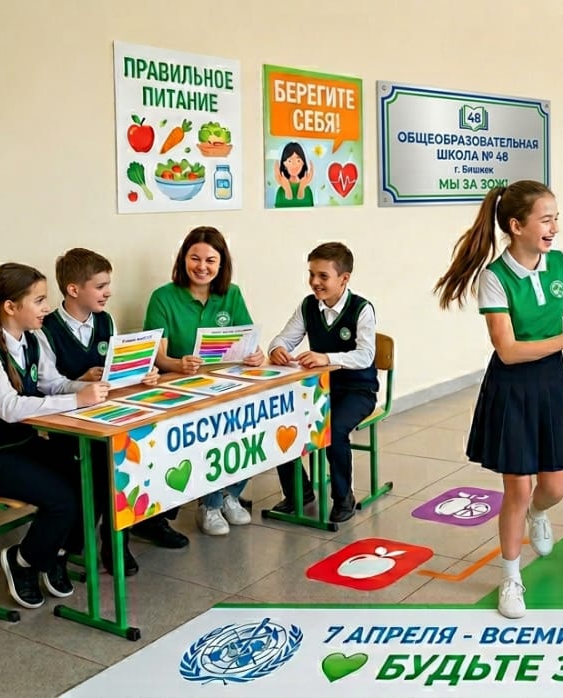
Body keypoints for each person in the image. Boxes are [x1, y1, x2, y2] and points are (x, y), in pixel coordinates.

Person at [433, 181, 563, 618]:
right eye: (546, 220)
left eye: (556, 218)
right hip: (512, 386)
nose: (555, 227)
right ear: (516, 225)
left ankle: (537, 514)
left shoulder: (558, 262)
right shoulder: (494, 278)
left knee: (555, 486)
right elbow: (508, 350)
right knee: (518, 488)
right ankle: (511, 578)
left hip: (552, 383)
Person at [0, 263, 110, 609]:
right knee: (62, 498)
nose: (46, 308)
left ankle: (57, 553)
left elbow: (52, 383)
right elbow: (9, 407)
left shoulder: (33, 340)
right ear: (10, 306)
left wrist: (91, 388)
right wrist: (77, 400)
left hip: (21, 446)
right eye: (38, 301)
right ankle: (22, 560)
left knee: (93, 478)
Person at [38, 248, 159, 575]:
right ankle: (73, 545)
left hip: (107, 417)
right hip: (68, 426)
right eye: (101, 286)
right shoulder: (45, 330)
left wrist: (142, 372)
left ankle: (117, 541)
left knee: (130, 458)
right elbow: (46, 385)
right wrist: (81, 381)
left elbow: (117, 368)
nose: (108, 292)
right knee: (105, 466)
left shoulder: (105, 321)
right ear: (73, 289)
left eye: (108, 285)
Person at [141, 226, 265, 537]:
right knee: (208, 431)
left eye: (210, 260)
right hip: (182, 390)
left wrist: (255, 355)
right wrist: (177, 364)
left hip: (227, 384)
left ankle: (230, 494)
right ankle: (210, 504)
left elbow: (247, 342)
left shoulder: (231, 294)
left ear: (221, 264)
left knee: (256, 423)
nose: (202, 267)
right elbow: (158, 357)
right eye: (194, 258)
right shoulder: (163, 297)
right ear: (183, 259)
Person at [268, 242, 378, 523]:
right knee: (279, 421)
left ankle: (343, 497)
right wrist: (277, 349)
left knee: (334, 429)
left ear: (344, 278)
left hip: (358, 390)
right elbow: (284, 338)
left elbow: (365, 355)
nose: (315, 282)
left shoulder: (361, 309)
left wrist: (326, 358)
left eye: (323, 276)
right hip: (319, 389)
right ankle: (299, 493)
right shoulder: (308, 306)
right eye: (311, 274)